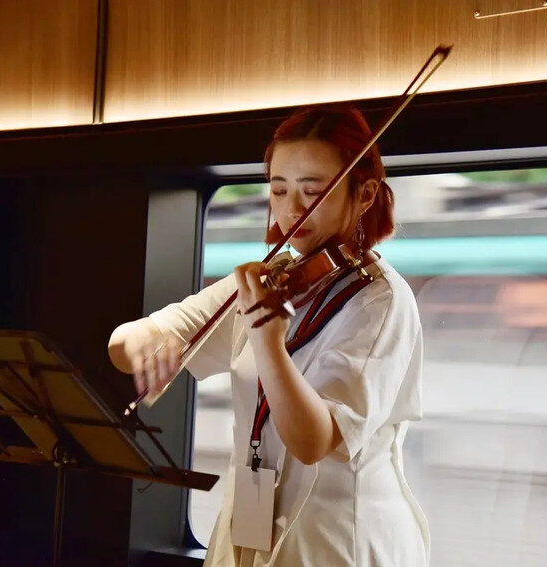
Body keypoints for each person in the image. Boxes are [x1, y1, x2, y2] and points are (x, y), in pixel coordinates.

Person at [108, 103, 430, 566]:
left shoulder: (381, 301)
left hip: (335, 538)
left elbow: (313, 441)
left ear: (365, 195)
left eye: (312, 192)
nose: (291, 209)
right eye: (279, 190)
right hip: (248, 525)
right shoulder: (273, 276)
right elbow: (132, 340)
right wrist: (146, 343)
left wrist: (268, 343)